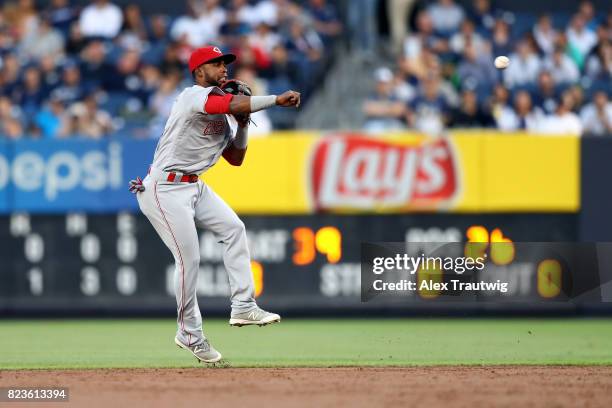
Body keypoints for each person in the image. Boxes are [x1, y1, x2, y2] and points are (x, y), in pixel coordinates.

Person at [130, 45, 300, 364]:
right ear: (199, 72)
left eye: (225, 63)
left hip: (194, 185)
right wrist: (274, 100)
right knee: (189, 260)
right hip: (165, 187)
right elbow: (226, 102)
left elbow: (235, 159)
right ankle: (189, 332)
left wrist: (245, 123)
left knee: (234, 229)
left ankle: (243, 306)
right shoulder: (192, 95)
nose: (223, 68)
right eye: (215, 63)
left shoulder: (223, 115)